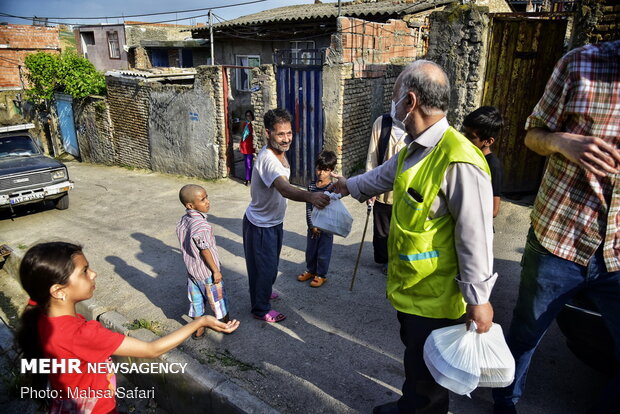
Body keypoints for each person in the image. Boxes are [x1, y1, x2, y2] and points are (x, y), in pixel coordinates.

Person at [330, 60, 496, 414]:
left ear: (409, 101)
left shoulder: (459, 158)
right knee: (416, 362)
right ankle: (410, 405)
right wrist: (345, 185)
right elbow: (381, 176)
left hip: (438, 296)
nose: (390, 105)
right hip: (414, 289)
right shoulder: (414, 147)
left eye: (393, 97)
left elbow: (475, 234)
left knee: (429, 375)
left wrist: (479, 299)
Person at [493, 40, 620, 414]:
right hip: (560, 240)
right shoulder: (579, 63)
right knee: (527, 334)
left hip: (617, 250)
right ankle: (505, 401)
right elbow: (533, 133)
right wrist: (562, 141)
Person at [16, 242, 239, 414]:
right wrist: (200, 321)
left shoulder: (39, 312)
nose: (93, 274)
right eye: (84, 271)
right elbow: (151, 350)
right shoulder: (81, 334)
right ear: (58, 290)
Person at [243, 108, 330, 322]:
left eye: (289, 133)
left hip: (273, 221)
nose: (286, 139)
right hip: (261, 225)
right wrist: (311, 197)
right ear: (268, 133)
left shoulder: (279, 153)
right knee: (264, 268)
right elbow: (284, 188)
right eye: (280, 134)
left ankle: (262, 292)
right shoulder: (269, 160)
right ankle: (260, 309)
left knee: (268, 266)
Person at [177, 184, 231, 339]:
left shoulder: (183, 221)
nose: (207, 201)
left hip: (192, 271)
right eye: (203, 199)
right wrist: (216, 271)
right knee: (218, 300)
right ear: (190, 205)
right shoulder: (201, 226)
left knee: (196, 301)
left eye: (206, 197)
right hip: (207, 272)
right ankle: (225, 325)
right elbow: (205, 251)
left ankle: (198, 329)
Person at [365, 113, 408, 274]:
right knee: (382, 228)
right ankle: (385, 260)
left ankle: (398, 260)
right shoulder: (382, 123)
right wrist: (369, 187)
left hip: (405, 192)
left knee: (401, 229)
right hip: (382, 190)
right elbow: (372, 156)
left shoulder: (416, 125)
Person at [297, 150, 338, 288]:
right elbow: (309, 207)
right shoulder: (311, 186)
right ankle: (310, 270)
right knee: (311, 251)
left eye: (325, 170)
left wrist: (323, 226)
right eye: (319, 169)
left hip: (326, 227)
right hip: (312, 226)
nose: (321, 173)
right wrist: (311, 225)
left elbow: (333, 210)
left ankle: (321, 275)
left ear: (331, 171)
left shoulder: (333, 188)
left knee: (323, 252)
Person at [462, 106, 504, 217]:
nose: (464, 139)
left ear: (488, 141)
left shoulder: (492, 165)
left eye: (470, 137)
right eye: (464, 133)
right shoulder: (465, 156)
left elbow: (494, 211)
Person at [240, 110, 255, 186]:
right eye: (247, 116)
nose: (248, 117)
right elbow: (243, 135)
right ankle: (247, 178)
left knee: (249, 164)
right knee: (246, 164)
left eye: (249, 115)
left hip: (250, 146)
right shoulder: (245, 124)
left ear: (252, 116)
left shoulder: (253, 124)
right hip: (245, 146)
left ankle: (248, 179)